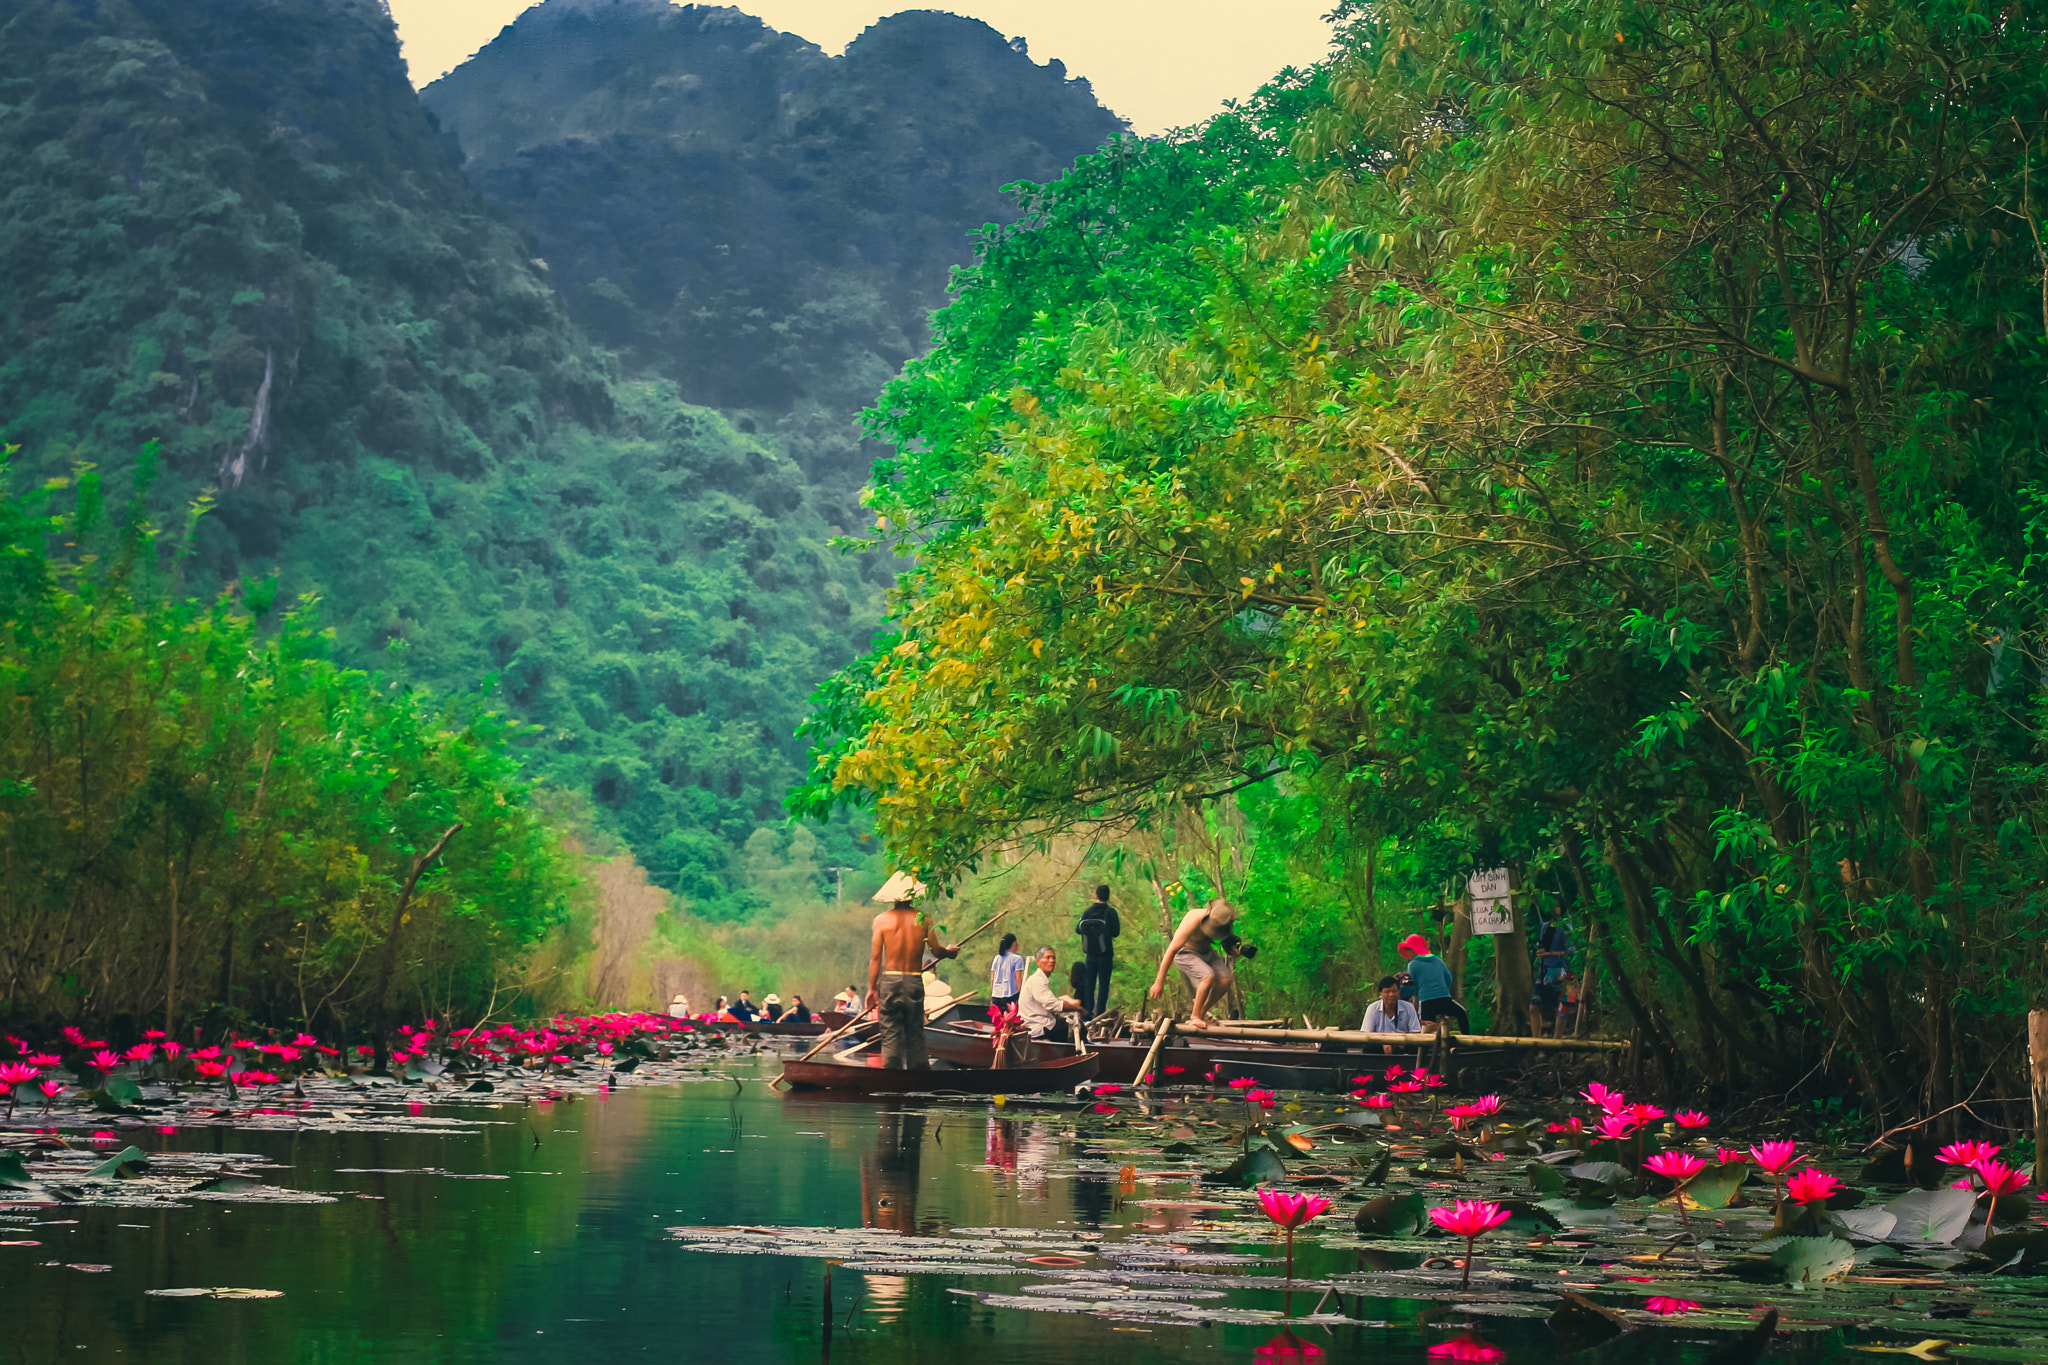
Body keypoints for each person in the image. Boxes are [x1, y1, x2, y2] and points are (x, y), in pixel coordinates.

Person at [866, 897, 960, 1069]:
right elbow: (937, 951)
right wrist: (950, 952)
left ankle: (891, 1080)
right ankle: (918, 1082)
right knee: (915, 1034)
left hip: (890, 980)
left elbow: (875, 957)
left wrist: (871, 989)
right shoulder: (924, 918)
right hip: (913, 979)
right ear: (911, 896)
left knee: (890, 1034)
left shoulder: (880, 920)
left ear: (892, 898)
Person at [1148, 898, 1240, 1029]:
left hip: (1208, 952)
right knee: (1208, 976)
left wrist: (1234, 951)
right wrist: (1159, 981)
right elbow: (1171, 950)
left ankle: (1201, 1013)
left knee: (1226, 979)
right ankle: (1195, 1016)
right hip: (1185, 952)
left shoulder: (1225, 920)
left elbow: (1226, 943)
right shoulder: (1193, 920)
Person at [1397, 933, 1468, 1033]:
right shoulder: (1438, 961)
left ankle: (1422, 1048)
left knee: (1426, 1031)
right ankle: (1466, 1039)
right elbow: (1449, 979)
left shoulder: (1412, 964)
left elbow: (1413, 986)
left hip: (1427, 1002)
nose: (1407, 952)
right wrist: (1442, 990)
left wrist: (1416, 1007)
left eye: (1409, 949)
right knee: (1462, 1014)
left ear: (1415, 950)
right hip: (1445, 999)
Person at [1019, 946, 1084, 1045]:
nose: (1052, 961)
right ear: (1038, 961)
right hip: (1038, 1026)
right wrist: (1078, 1008)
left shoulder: (1041, 979)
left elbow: (1050, 1003)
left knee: (1068, 1024)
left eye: (1053, 958)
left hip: (1042, 1023)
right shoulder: (1037, 980)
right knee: (1080, 1029)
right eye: (1048, 957)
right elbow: (1053, 1005)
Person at [1075, 884, 1121, 1019]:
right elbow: (1116, 933)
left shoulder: (1087, 912)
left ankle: (1088, 1014)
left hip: (1090, 954)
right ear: (1108, 896)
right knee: (1104, 985)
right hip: (1105, 954)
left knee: (1090, 984)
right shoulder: (1111, 912)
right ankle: (1100, 1014)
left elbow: (1078, 929)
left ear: (1096, 896)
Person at [1529, 915, 1572, 1037]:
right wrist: (1541, 953)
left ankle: (1557, 1039)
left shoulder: (1565, 927)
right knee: (1534, 1006)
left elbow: (1570, 950)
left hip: (1558, 970)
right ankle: (1536, 1041)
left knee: (1561, 1005)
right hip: (1543, 969)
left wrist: (1550, 953)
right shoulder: (1545, 926)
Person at [1360, 975, 1424, 1054]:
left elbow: (1416, 1033)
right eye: (1387, 992)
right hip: (1379, 1045)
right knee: (1368, 1048)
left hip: (1403, 1045)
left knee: (1416, 1048)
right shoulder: (1372, 1008)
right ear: (1381, 993)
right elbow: (1366, 1035)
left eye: (1394, 991)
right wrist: (1384, 1044)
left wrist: (1400, 1044)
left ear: (1398, 992)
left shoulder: (1409, 1007)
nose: (1391, 995)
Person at [989, 933, 1026, 1013]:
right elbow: (1018, 979)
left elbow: (992, 978)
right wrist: (1021, 995)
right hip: (1010, 995)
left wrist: (992, 994)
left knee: (998, 1020)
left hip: (996, 995)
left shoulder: (996, 958)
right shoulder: (1017, 958)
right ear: (1014, 944)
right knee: (1011, 1021)